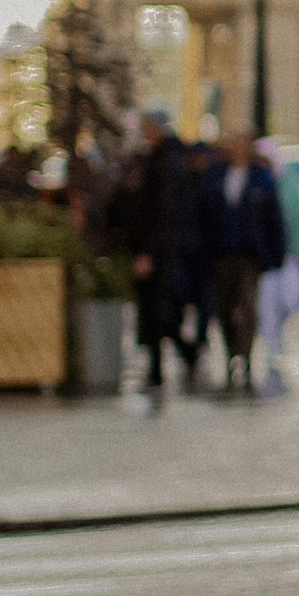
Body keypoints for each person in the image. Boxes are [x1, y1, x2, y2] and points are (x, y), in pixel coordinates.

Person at [114, 109, 203, 395]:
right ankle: (177, 356)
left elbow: (164, 212)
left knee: (159, 311)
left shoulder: (167, 161)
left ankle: (164, 365)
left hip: (163, 252)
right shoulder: (154, 158)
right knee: (155, 311)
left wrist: (149, 252)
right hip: (158, 249)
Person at [191, 127, 286, 391]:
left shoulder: (261, 180)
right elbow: (202, 215)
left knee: (246, 305)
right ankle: (232, 351)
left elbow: (273, 219)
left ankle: (243, 355)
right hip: (219, 253)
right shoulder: (215, 178)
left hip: (249, 255)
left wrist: (275, 251)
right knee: (223, 307)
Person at [260, 147, 299, 386]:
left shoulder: (289, 182)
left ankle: (277, 340)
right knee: (267, 306)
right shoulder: (259, 183)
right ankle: (273, 347)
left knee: (291, 300)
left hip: (289, 254)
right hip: (267, 258)